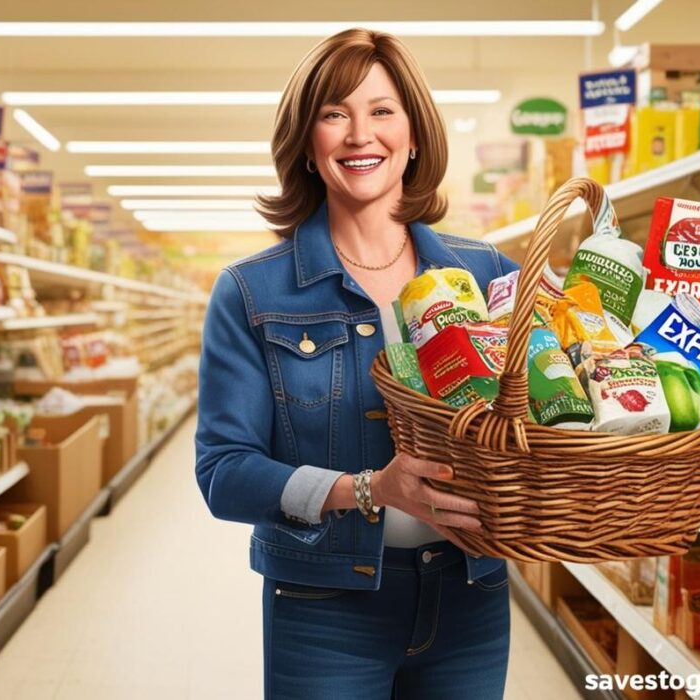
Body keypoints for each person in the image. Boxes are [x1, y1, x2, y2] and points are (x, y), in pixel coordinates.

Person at [194, 28, 519, 699]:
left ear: (415, 134)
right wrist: (367, 489)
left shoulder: (488, 275)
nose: (358, 135)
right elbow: (224, 474)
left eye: (381, 111)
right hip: (322, 608)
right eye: (333, 114)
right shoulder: (253, 293)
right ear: (306, 145)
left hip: (472, 599)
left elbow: (541, 417)